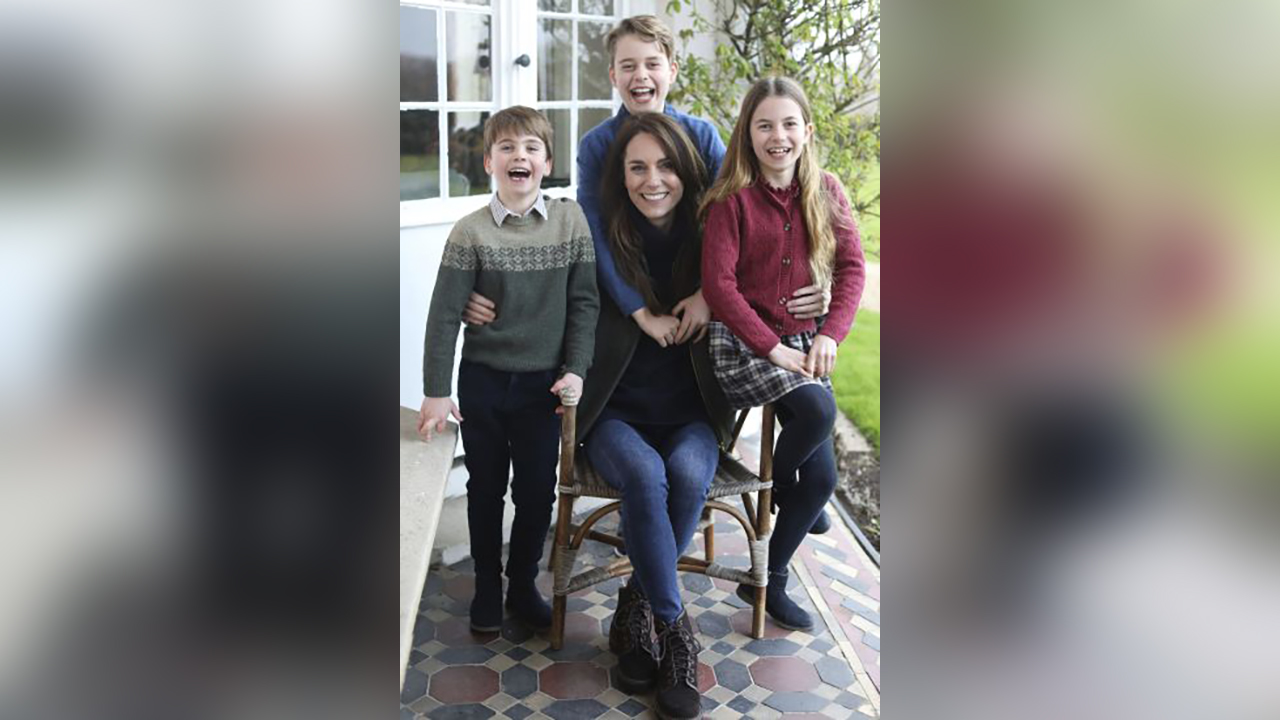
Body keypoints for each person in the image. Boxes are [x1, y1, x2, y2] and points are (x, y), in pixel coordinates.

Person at [417, 106, 599, 633]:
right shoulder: (469, 233)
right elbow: (445, 313)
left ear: (546, 163)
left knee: (537, 491)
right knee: (485, 487)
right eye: (507, 147)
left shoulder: (570, 221)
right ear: (489, 161)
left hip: (544, 387)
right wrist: (435, 390)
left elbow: (585, 303)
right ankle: (487, 586)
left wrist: (577, 369)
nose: (519, 155)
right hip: (485, 382)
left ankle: (522, 584)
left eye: (531, 148)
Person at [576, 113, 728, 720]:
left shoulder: (715, 237)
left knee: (688, 476)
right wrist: (482, 299)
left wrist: (820, 298)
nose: (652, 179)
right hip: (616, 415)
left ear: (687, 172)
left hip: (690, 414)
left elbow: (779, 267)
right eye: (637, 167)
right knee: (644, 477)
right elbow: (536, 282)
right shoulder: (600, 239)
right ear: (621, 175)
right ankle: (676, 631)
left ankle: (637, 603)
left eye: (665, 165)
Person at [700, 77, 866, 632]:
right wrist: (770, 347)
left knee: (821, 482)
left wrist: (828, 335)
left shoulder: (829, 192)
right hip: (742, 344)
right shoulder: (732, 203)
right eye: (765, 125)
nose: (778, 136)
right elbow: (720, 287)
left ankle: (767, 581)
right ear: (748, 134)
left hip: (801, 342)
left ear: (807, 131)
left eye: (789, 124)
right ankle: (779, 489)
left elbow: (851, 270)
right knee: (818, 413)